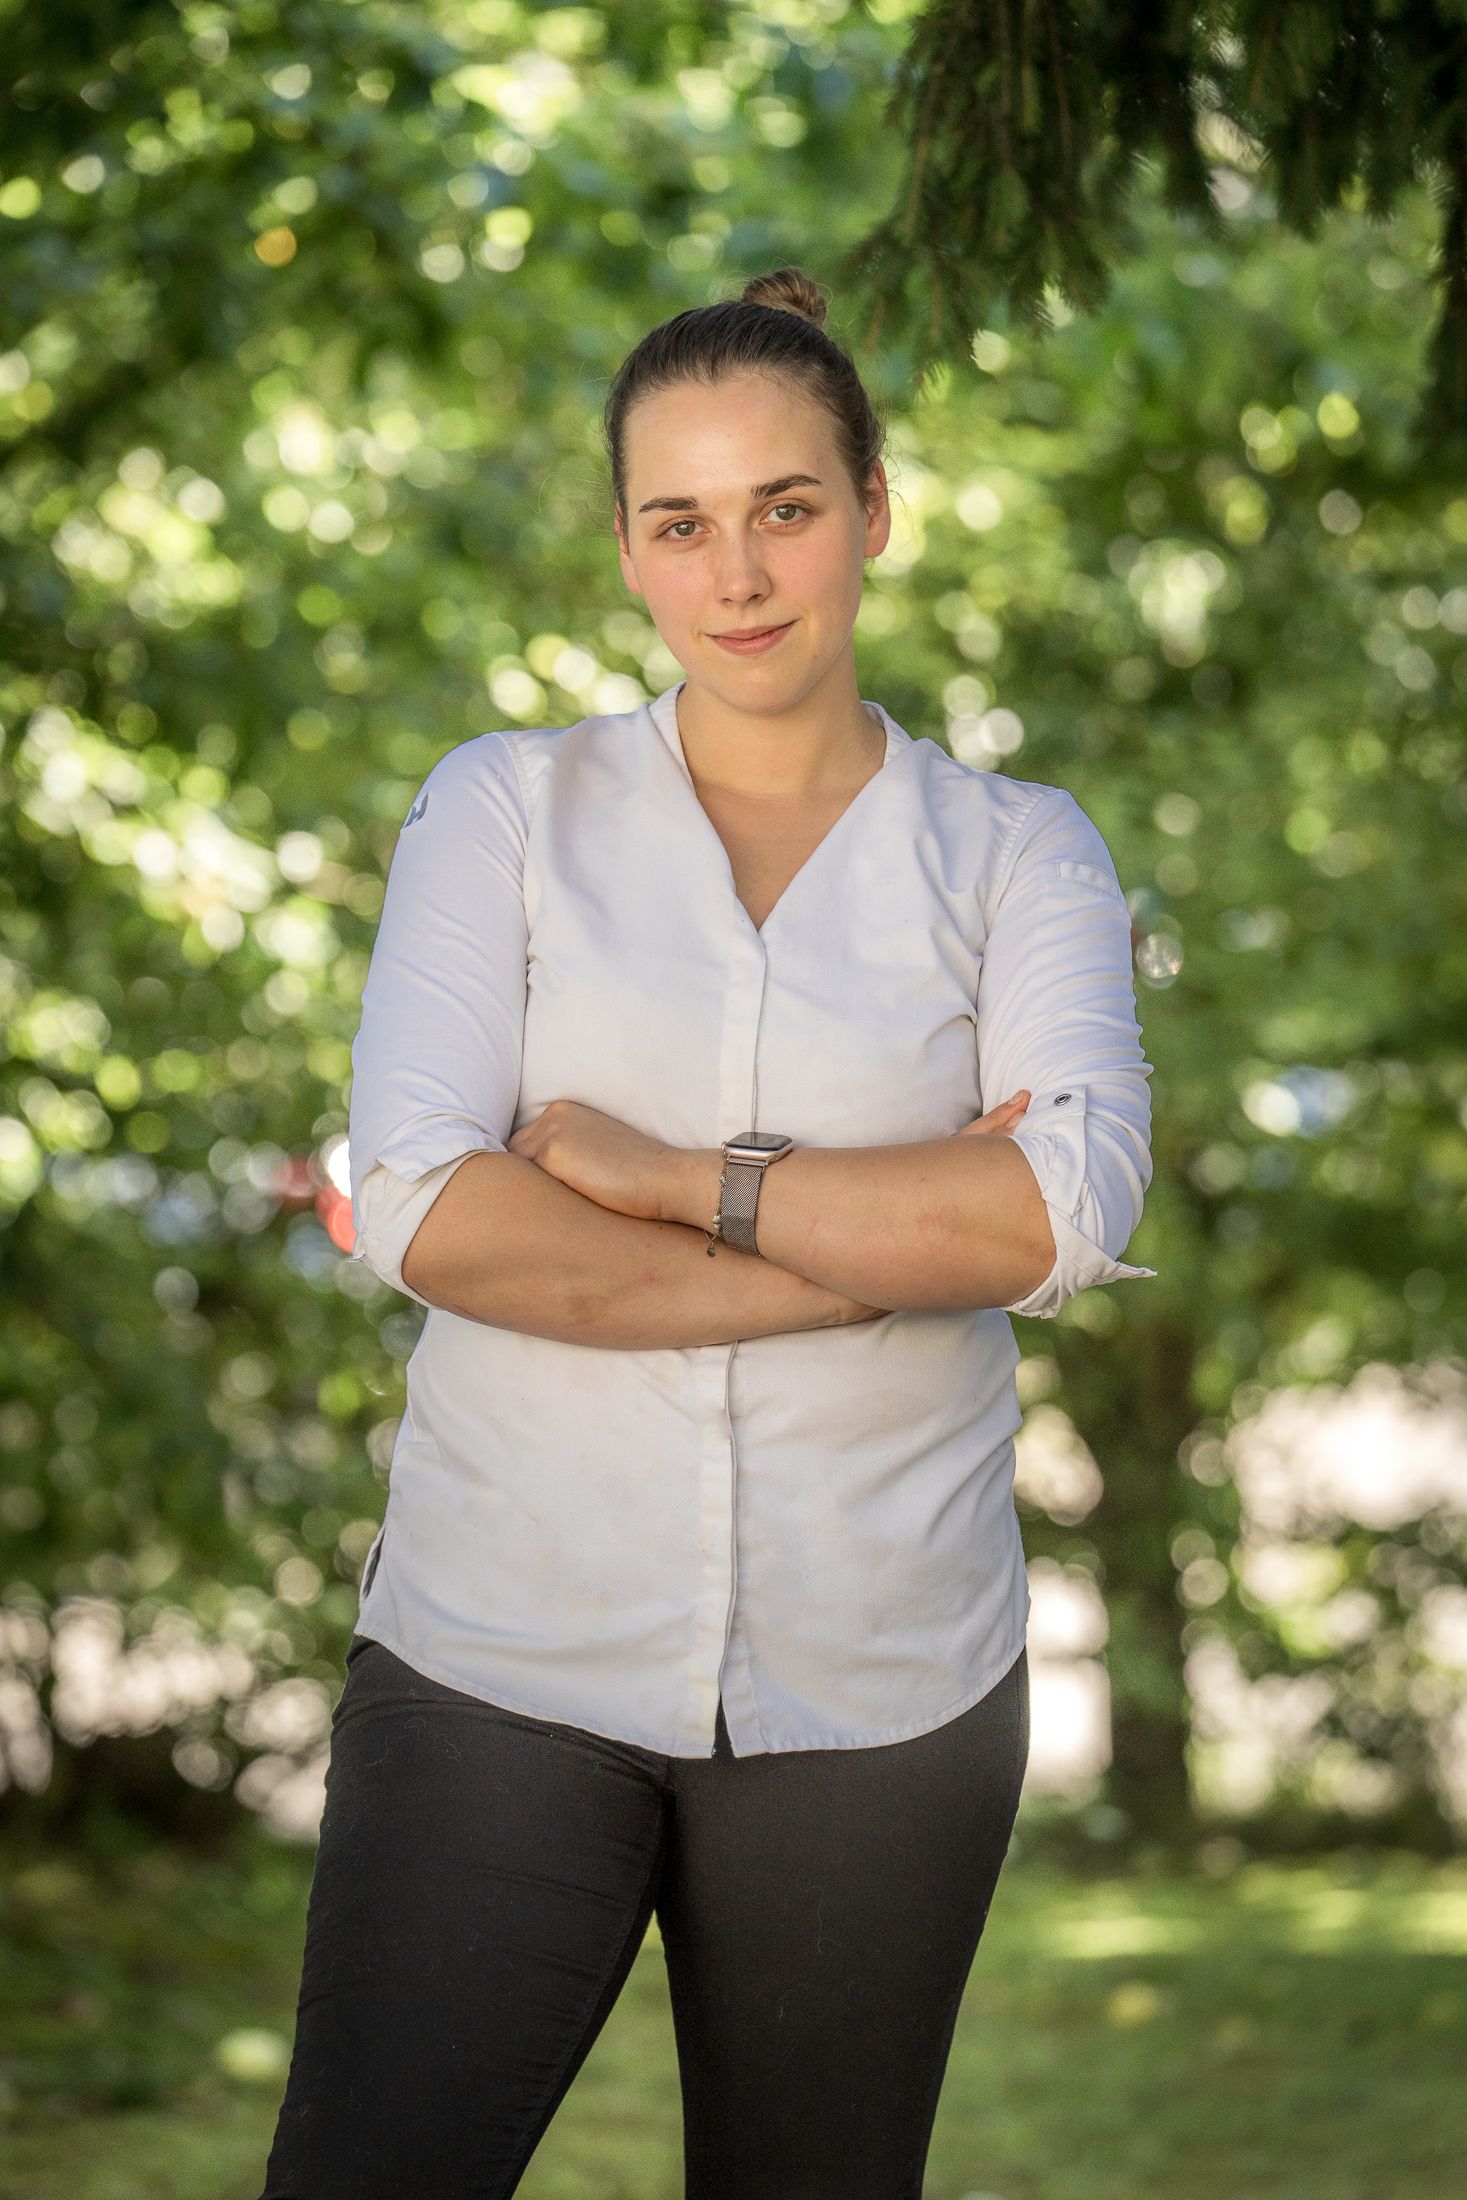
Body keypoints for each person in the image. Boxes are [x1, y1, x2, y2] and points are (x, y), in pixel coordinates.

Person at [258, 264, 1156, 2200]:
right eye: (680, 521)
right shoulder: (497, 814)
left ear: (873, 512)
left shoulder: (1018, 853)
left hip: (884, 1679)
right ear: (626, 554)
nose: (736, 572)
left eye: (784, 508)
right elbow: (425, 1202)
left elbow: (1060, 1203)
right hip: (497, 1650)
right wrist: (887, 1246)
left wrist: (678, 1181)